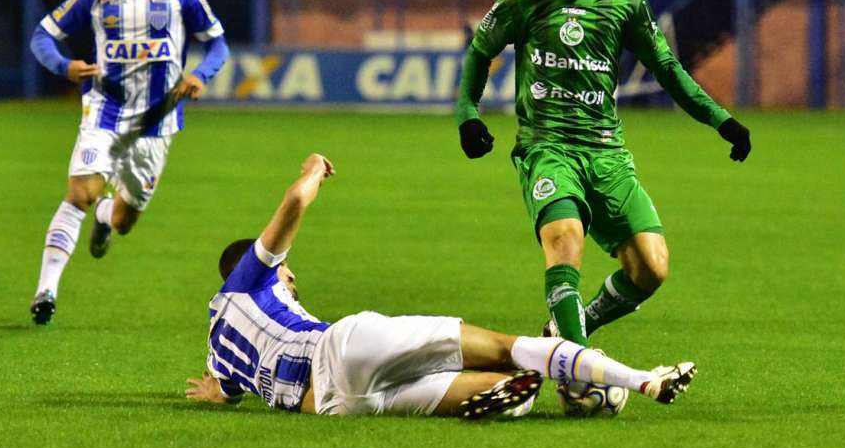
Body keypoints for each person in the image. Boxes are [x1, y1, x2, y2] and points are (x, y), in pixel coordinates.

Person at [453, 0, 751, 347]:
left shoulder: (625, 1)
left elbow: (667, 68)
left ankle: (571, 328)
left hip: (606, 153)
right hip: (547, 147)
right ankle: (579, 371)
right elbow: (479, 52)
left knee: (651, 267)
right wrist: (468, 115)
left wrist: (721, 121)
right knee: (564, 240)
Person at [184, 153, 697, 419]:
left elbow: (225, 391)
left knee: (508, 390)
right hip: (340, 347)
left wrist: (216, 392)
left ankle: (521, 391)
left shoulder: (218, 345)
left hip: (332, 407)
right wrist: (314, 171)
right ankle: (641, 380)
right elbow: (294, 205)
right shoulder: (248, 280)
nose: (292, 280)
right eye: (288, 274)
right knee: (507, 349)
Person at [29, 0, 230, 325]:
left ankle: (106, 215)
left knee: (123, 220)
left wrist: (201, 74)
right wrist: (64, 66)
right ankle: (46, 291)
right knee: (79, 193)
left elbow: (218, 44)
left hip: (156, 126)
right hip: (104, 112)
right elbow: (42, 36)